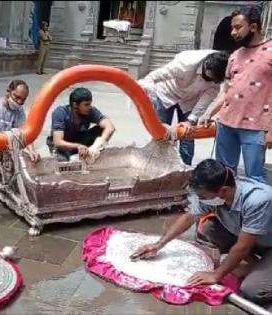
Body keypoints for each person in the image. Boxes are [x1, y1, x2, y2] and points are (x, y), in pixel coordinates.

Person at [131, 159, 272, 306]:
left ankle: (261, 269)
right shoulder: (216, 195)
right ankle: (259, 266)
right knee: (209, 227)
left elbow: (243, 247)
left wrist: (216, 276)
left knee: (252, 289)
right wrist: (158, 244)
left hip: (263, 243)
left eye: (204, 197)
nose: (201, 200)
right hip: (259, 240)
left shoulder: (257, 200)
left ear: (223, 191)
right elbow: (189, 218)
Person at [199, 5, 272, 184]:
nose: (233, 32)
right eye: (232, 28)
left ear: (253, 27)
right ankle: (226, 210)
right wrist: (209, 112)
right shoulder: (235, 55)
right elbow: (226, 90)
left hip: (256, 128)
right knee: (224, 175)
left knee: (254, 176)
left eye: (238, 27)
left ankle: (258, 210)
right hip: (226, 124)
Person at [139, 50, 229, 166]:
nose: (211, 82)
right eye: (209, 78)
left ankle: (185, 169)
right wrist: (150, 97)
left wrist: (190, 121)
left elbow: (206, 99)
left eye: (215, 81)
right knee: (160, 134)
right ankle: (157, 166)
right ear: (206, 65)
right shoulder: (185, 63)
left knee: (188, 134)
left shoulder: (220, 73)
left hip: (190, 100)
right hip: (167, 93)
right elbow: (153, 77)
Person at [47, 87, 116, 163]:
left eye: (90, 104)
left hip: (78, 139)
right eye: (86, 105)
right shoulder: (60, 113)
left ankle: (91, 154)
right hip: (63, 146)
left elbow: (110, 127)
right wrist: (78, 146)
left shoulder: (91, 111)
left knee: (102, 129)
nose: (89, 107)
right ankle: (71, 156)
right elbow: (58, 142)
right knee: (66, 165)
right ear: (75, 105)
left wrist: (96, 146)